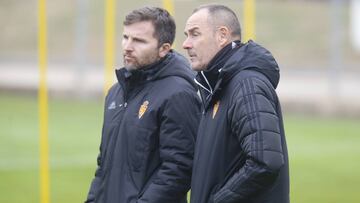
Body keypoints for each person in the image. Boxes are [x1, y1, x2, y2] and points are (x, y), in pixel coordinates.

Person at [85, 6, 201, 203]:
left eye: (138, 40)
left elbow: (179, 169)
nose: (127, 46)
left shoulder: (179, 93)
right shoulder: (116, 92)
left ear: (164, 49)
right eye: (126, 37)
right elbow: (104, 164)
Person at [183, 4, 289, 203]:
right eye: (186, 35)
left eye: (194, 34)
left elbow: (265, 162)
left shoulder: (246, 85)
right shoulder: (216, 85)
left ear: (222, 35)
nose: (186, 44)